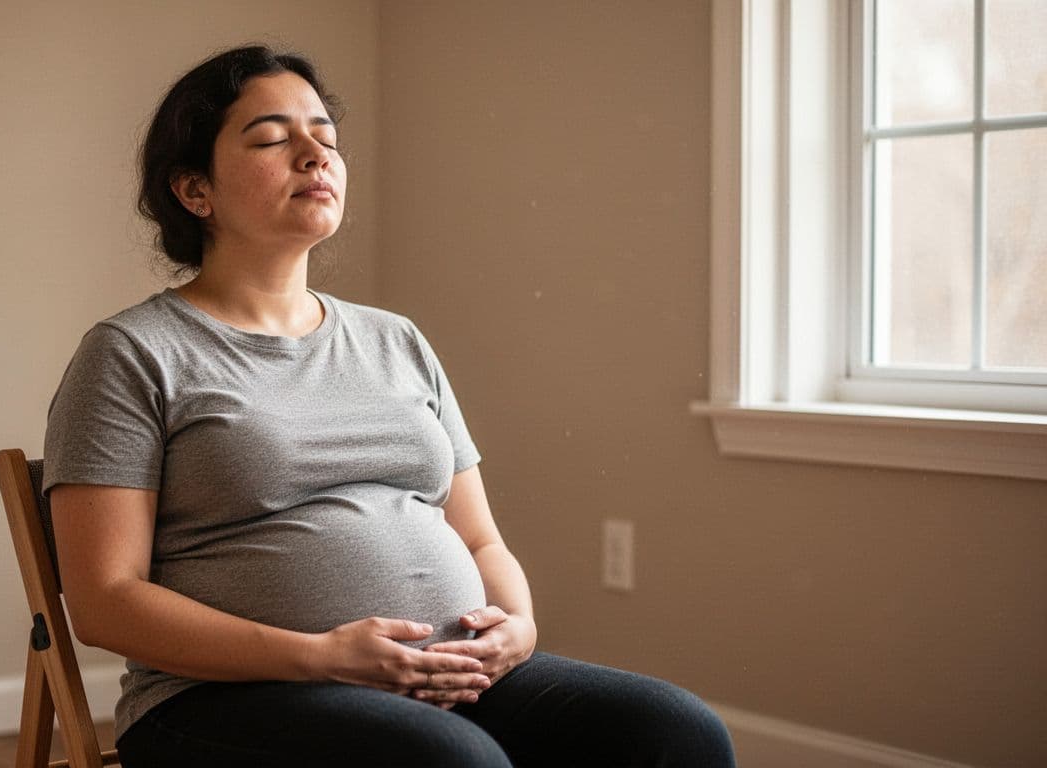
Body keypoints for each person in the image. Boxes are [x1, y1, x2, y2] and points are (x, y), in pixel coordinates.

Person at [43, 45, 735, 768]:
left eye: (327, 138)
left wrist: (519, 630)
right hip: (228, 695)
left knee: (675, 732)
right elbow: (106, 601)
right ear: (195, 190)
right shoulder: (133, 353)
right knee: (451, 762)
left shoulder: (394, 339)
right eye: (275, 139)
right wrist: (319, 656)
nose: (316, 155)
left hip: (454, 676)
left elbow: (480, 542)